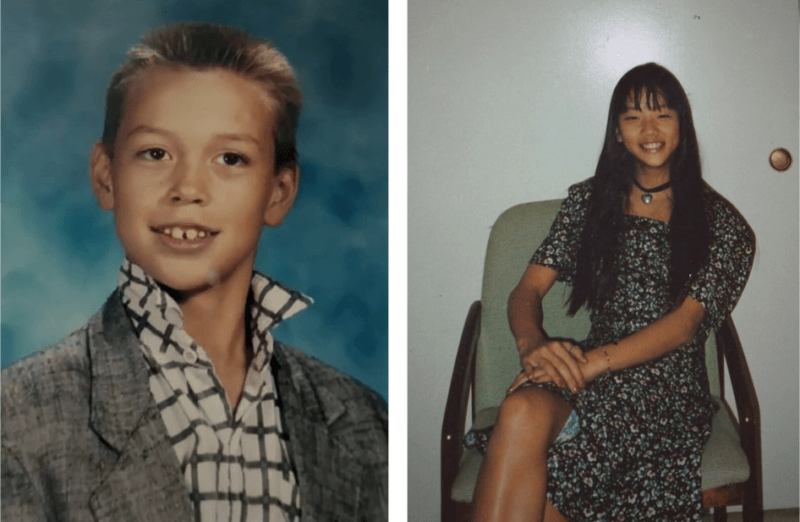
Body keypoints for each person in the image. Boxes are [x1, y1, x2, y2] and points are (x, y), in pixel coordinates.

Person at [1, 23, 387, 522]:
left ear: (279, 192)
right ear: (106, 176)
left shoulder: (365, 422)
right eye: (155, 153)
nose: (188, 187)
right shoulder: (18, 419)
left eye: (230, 158)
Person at [466, 63, 755, 521]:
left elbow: (684, 327)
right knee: (519, 411)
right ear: (617, 132)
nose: (649, 129)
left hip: (666, 389)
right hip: (590, 369)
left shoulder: (723, 226)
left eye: (662, 114)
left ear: (683, 124)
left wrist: (586, 365)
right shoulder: (589, 202)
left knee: (542, 478)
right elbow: (525, 291)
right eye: (632, 116)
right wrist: (534, 347)